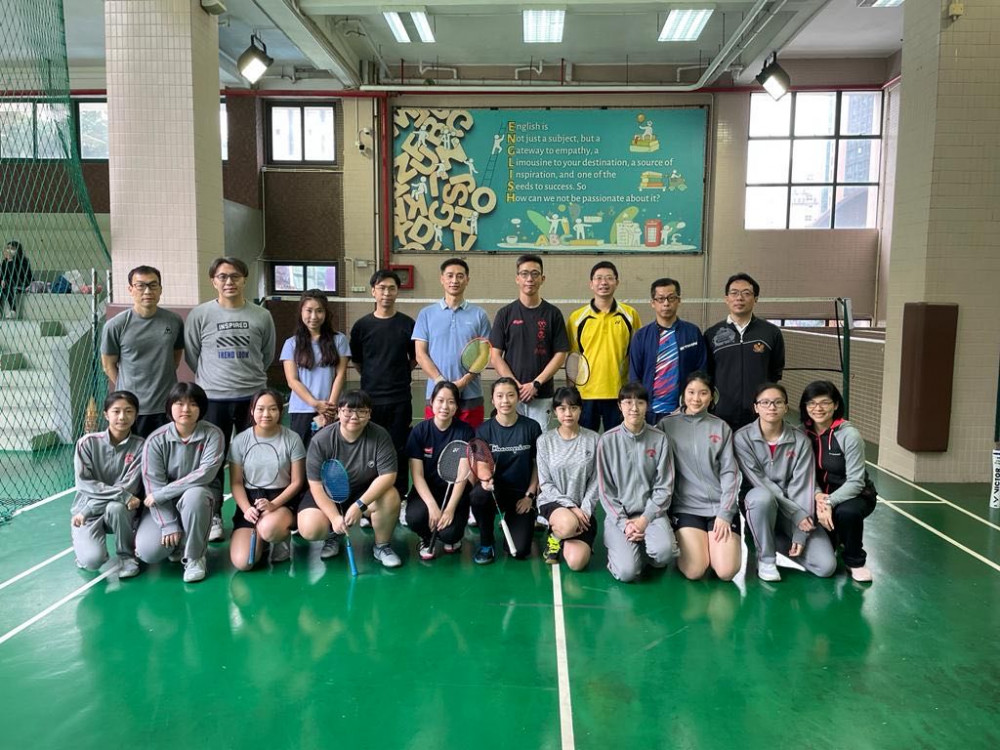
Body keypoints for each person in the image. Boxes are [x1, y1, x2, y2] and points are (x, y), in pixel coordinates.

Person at [184, 256, 276, 541]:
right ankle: (213, 515)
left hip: (252, 398)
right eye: (222, 276)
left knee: (254, 459)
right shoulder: (200, 315)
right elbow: (192, 355)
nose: (229, 282)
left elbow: (267, 354)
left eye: (235, 276)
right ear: (213, 281)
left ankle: (249, 513)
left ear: (244, 279)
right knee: (213, 460)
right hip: (213, 399)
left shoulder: (261, 315)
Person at [734, 382, 836, 582]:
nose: (771, 407)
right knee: (762, 497)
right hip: (763, 505)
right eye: (765, 402)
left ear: (786, 407)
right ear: (756, 407)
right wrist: (796, 514)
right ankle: (766, 559)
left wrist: (800, 532)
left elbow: (803, 486)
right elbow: (759, 481)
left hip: (796, 507)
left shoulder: (800, 440)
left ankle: (764, 537)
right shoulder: (742, 438)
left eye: (778, 402)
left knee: (826, 567)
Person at [298, 389, 403, 568]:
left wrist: (359, 505)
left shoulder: (380, 435)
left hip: (363, 490)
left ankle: (382, 546)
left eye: (361, 411)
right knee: (310, 528)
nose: (354, 417)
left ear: (369, 414)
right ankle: (332, 535)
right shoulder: (321, 439)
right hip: (329, 491)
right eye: (348, 411)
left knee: (390, 496)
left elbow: (388, 476)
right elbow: (315, 484)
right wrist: (334, 517)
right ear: (339, 412)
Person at [136, 382, 225, 583]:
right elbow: (152, 485)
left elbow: (205, 474)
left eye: (193, 404)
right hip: (165, 503)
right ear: (170, 407)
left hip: (197, 500)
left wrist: (163, 493)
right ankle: (179, 540)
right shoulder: (155, 440)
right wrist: (168, 524)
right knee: (149, 552)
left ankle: (195, 558)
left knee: (196, 495)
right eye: (179, 403)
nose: (186, 409)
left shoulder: (213, 434)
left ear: (201, 408)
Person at [657, 372, 742, 581]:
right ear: (683, 394)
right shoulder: (667, 425)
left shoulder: (721, 427)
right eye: (691, 392)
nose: (696, 398)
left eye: (703, 393)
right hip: (686, 508)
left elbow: (730, 472)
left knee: (726, 572)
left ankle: (713, 546)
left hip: (719, 507)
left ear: (711, 396)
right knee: (694, 571)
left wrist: (725, 513)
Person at [596, 382, 676, 582]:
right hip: (620, 515)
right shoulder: (607, 441)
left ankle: (644, 546)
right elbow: (605, 491)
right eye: (628, 402)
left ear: (647, 406)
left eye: (640, 402)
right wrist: (625, 524)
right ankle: (621, 552)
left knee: (664, 555)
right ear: (619, 406)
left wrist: (644, 520)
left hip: (651, 514)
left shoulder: (660, 439)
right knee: (627, 573)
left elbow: (664, 486)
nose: (634, 408)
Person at [800, 380, 877, 582]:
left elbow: (856, 482)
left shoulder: (849, 435)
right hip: (817, 494)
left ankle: (855, 561)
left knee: (847, 513)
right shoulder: (801, 433)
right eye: (812, 403)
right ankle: (836, 537)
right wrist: (818, 496)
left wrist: (828, 502)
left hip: (852, 495)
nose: (818, 408)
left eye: (824, 402)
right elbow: (803, 474)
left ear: (835, 405)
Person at [350, 269, 417, 500]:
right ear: (373, 292)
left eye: (391, 288)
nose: (386, 293)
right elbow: (358, 361)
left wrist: (398, 373)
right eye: (381, 288)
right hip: (370, 401)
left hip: (400, 399)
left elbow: (414, 357)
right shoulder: (361, 326)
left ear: (397, 292)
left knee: (399, 447)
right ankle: (371, 497)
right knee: (370, 448)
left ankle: (400, 495)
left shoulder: (407, 324)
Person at [101, 265, 184, 438]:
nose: (147, 291)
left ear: (160, 289)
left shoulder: (174, 321)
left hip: (166, 406)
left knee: (165, 452)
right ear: (130, 289)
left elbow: (175, 357)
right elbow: (108, 365)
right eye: (140, 286)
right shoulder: (116, 325)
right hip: (132, 408)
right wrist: (128, 387)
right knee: (134, 453)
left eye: (153, 285)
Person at [228, 388, 306, 571]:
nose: (266, 414)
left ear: (280, 411)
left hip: (282, 500)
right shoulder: (240, 441)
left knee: (270, 528)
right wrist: (247, 509)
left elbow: (297, 482)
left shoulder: (292, 439)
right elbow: (236, 483)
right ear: (252, 411)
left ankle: (280, 538)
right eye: (260, 409)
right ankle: (261, 542)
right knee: (243, 563)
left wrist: (273, 505)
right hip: (250, 502)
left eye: (272, 409)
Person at [489, 254, 569, 430]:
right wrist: (515, 386)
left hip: (542, 396)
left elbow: (560, 354)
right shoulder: (505, 314)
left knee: (539, 443)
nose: (529, 279)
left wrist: (536, 384)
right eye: (524, 274)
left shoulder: (553, 314)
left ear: (542, 278)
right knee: (511, 441)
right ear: (517, 278)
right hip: (511, 396)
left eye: (535, 274)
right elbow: (495, 356)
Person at [70, 390, 144, 578]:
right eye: (116, 411)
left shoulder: (141, 446)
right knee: (92, 561)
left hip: (117, 510)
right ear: (105, 414)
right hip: (87, 511)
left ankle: (127, 556)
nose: (122, 417)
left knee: (117, 507)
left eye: (128, 411)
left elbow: (128, 487)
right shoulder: (86, 443)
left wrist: (89, 509)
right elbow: (85, 484)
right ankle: (85, 551)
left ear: (136, 415)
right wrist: (88, 511)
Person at [469, 377, 542, 564]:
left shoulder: (532, 427)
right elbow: (481, 465)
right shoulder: (484, 430)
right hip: (496, 492)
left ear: (518, 398)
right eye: (500, 396)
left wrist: (530, 496)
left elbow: (538, 465)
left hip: (521, 497)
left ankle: (515, 521)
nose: (505, 401)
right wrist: (485, 480)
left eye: (510, 395)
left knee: (520, 550)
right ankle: (486, 542)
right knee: (478, 495)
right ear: (492, 400)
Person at [413, 257, 491, 427]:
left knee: (471, 441)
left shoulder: (480, 315)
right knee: (436, 440)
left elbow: (484, 355)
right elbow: (420, 354)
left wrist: (463, 382)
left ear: (467, 280)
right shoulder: (426, 314)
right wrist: (440, 381)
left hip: (471, 395)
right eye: (450, 275)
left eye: (460, 276)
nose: (454, 280)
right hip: (436, 395)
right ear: (442, 279)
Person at [404, 381, 475, 560]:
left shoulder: (465, 432)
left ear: (457, 406)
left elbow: (462, 476)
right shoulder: (420, 431)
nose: (445, 406)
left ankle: (452, 537)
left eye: (451, 402)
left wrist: (450, 508)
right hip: (426, 490)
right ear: (432, 402)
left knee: (449, 534)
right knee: (415, 518)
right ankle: (426, 537)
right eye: (440, 400)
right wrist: (432, 506)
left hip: (454, 492)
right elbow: (417, 475)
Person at [704, 273, 785, 430]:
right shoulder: (711, 334)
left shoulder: (771, 332)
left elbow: (775, 372)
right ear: (726, 298)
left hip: (759, 416)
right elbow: (707, 373)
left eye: (746, 293)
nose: (739, 298)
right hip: (721, 415)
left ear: (755, 299)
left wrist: (763, 401)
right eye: (734, 293)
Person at [567, 261, 641, 432]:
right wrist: (571, 392)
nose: (604, 282)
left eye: (609, 278)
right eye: (598, 278)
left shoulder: (630, 315)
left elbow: (636, 354)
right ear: (591, 284)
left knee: (618, 442)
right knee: (586, 443)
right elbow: (572, 357)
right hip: (586, 394)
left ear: (617, 282)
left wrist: (633, 389)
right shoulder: (576, 318)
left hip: (619, 393)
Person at [536, 386, 599, 570]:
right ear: (555, 411)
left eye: (573, 408)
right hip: (553, 502)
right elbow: (545, 483)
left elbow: (597, 481)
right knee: (568, 524)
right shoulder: (545, 441)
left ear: (581, 410)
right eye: (562, 408)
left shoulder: (594, 439)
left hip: (583, 508)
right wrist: (571, 508)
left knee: (576, 563)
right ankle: (557, 534)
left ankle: (561, 535)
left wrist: (584, 510)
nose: (568, 413)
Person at [629, 277, 707, 424]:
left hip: (684, 411)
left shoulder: (692, 333)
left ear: (679, 300)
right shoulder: (641, 336)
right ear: (653, 303)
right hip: (649, 413)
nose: (666, 303)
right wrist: (639, 408)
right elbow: (635, 377)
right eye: (660, 299)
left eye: (671, 298)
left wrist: (691, 404)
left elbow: (701, 372)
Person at [280, 289, 350, 449]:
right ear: (301, 312)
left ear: (326, 313)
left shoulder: (339, 340)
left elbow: (340, 375)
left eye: (319, 311)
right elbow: (292, 380)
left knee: (329, 453)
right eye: (309, 310)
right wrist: (315, 404)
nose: (314, 316)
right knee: (302, 454)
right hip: (302, 410)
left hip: (330, 409)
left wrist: (330, 407)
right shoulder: (291, 344)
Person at [1, 239, 32, 319]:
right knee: (4, 285)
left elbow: (19, 275)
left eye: (12, 248)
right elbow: (3, 274)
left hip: (21, 282)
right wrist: (2, 280)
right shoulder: (5, 262)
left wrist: (11, 261)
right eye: (8, 248)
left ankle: (13, 310)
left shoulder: (23, 261)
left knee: (7, 283)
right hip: (8, 284)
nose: (9, 250)